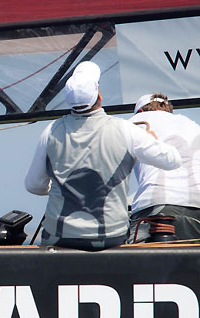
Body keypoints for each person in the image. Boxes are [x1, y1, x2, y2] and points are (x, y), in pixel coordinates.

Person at [24, 61, 181, 251]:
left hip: (59, 238)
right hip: (109, 239)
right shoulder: (125, 130)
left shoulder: (50, 131)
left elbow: (33, 185)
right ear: (99, 95)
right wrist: (152, 140)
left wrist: (63, 188)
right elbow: (172, 160)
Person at [127, 93, 200, 243]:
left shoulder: (137, 122)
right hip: (197, 204)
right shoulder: (192, 124)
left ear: (140, 111)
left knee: (140, 263)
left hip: (159, 204)